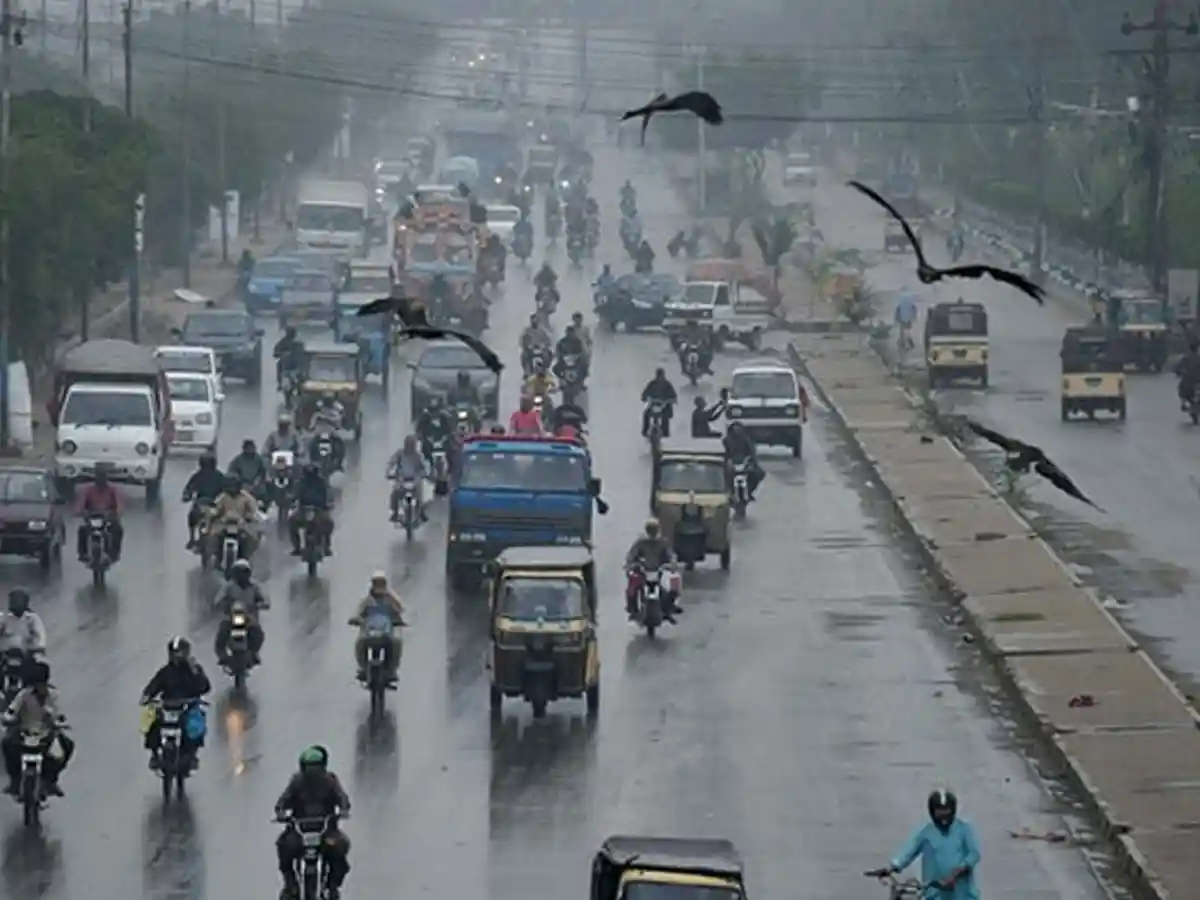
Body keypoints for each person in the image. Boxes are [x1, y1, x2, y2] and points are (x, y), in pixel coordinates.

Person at [866, 789, 981, 900]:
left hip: (962, 893)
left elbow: (974, 855)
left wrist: (955, 875)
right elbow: (908, 852)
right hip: (934, 892)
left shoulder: (964, 829)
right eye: (939, 813)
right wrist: (891, 868)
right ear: (932, 812)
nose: (943, 818)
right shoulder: (926, 832)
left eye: (947, 812)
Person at [274, 746, 351, 900]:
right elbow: (282, 802)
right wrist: (281, 813)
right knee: (284, 849)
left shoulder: (331, 781)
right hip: (298, 830)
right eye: (310, 766)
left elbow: (342, 798)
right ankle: (291, 885)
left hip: (327, 831)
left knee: (339, 852)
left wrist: (343, 810)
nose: (313, 770)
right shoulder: (296, 782)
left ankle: (331, 886)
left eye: (315, 766)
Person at [139, 636, 211, 770]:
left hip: (188, 706)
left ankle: (191, 754)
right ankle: (155, 754)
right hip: (168, 706)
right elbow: (154, 685)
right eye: (174, 652)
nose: (177, 656)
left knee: (195, 725)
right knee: (151, 723)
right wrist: (147, 695)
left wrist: (196, 674)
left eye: (180, 652)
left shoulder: (194, 669)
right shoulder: (166, 671)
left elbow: (205, 687)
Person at [1, 661, 72, 796]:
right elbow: (12, 710)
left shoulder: (53, 696)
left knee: (67, 746)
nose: (40, 687)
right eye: (37, 684)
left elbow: (61, 714)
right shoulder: (24, 694)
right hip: (25, 732)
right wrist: (8, 718)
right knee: (7, 744)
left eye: (42, 683)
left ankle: (51, 781)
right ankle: (15, 781)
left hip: (46, 733)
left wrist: (58, 721)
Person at [349, 572, 407, 683]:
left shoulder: (390, 599)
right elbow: (358, 612)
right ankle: (363, 668)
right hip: (368, 633)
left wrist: (398, 618)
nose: (379, 586)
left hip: (386, 633)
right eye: (377, 583)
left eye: (382, 583)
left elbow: (400, 609)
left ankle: (391, 670)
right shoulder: (367, 600)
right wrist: (357, 619)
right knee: (360, 643)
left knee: (397, 643)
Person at [213, 559, 269, 666]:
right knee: (222, 634)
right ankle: (223, 656)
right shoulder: (229, 586)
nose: (242, 575)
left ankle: (253, 653)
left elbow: (265, 600)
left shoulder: (255, 587)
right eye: (239, 572)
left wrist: (260, 605)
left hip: (249, 619)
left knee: (258, 634)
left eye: (244, 572)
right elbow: (218, 599)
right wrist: (221, 605)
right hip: (231, 617)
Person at [624, 518, 678, 620]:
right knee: (632, 586)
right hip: (643, 570)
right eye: (650, 529)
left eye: (654, 529)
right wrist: (631, 565)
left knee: (673, 584)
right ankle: (633, 609)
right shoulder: (641, 542)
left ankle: (669, 608)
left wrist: (672, 565)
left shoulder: (663, 542)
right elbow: (632, 555)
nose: (652, 532)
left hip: (660, 570)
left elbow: (671, 555)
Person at [205, 475, 260, 560]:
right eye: (230, 486)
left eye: (234, 486)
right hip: (224, 524)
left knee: (252, 538)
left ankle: (245, 558)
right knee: (212, 536)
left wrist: (250, 516)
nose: (232, 488)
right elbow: (215, 507)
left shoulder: (246, 497)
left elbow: (253, 509)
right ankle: (217, 557)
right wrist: (213, 513)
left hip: (241, 524)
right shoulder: (223, 497)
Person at [75, 466, 123, 563]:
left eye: (103, 478)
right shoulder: (89, 490)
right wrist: (80, 512)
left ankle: (114, 553)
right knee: (82, 530)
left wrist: (117, 513)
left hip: (107, 518)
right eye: (99, 478)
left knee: (118, 530)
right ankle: (83, 553)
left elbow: (119, 505)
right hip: (91, 517)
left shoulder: (112, 490)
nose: (101, 480)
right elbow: (81, 504)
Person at [182, 452, 225, 548]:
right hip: (202, 504)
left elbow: (226, 489)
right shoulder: (199, 476)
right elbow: (189, 488)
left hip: (216, 503)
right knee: (192, 516)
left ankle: (193, 539)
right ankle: (192, 538)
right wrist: (186, 495)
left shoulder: (218, 476)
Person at [290, 464, 333, 557]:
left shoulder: (322, 482)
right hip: (303, 509)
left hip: (319, 509)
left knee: (329, 523)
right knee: (291, 522)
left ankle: (327, 546)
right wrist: (292, 500)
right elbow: (294, 494)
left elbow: (329, 494)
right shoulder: (300, 483)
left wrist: (329, 503)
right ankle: (297, 547)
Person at [387, 436, 428, 523]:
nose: (410, 446)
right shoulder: (400, 454)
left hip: (414, 480)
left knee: (420, 494)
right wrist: (389, 472)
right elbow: (391, 462)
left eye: (412, 444)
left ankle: (421, 512)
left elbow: (425, 468)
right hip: (401, 479)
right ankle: (395, 512)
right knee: (395, 494)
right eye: (408, 444)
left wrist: (424, 474)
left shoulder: (418, 456)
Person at [723, 421, 764, 499]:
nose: (737, 431)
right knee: (725, 475)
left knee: (758, 473)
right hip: (731, 463)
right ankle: (730, 493)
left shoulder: (746, 440)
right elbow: (725, 453)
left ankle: (748, 491)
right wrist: (728, 461)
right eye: (735, 429)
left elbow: (752, 452)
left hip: (745, 462)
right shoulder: (726, 441)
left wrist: (751, 462)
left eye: (738, 429)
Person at [640, 368, 678, 437]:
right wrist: (644, 397)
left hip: (664, 405)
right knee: (646, 414)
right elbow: (645, 393)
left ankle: (665, 433)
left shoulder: (667, 385)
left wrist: (671, 400)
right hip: (653, 404)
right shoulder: (652, 384)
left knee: (665, 417)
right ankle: (645, 431)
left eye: (661, 376)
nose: (660, 378)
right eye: (658, 376)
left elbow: (674, 396)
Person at [1176, 340, 1200, 410]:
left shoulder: (1186, 358)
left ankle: (1183, 404)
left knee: (1182, 391)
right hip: (1197, 380)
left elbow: (1178, 368)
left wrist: (1178, 373)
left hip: (1188, 380)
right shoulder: (1198, 358)